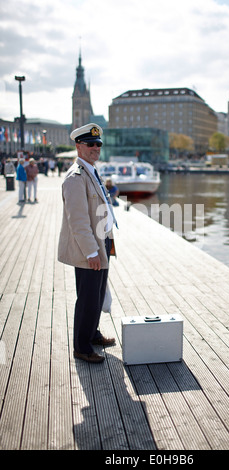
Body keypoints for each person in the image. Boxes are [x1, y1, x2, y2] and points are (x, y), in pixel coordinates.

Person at [58, 123, 117, 364]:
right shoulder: (76, 177)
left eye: (98, 144)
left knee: (97, 293)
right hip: (89, 248)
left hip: (101, 242)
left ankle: (92, 334)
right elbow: (78, 221)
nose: (95, 148)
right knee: (87, 297)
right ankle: (82, 347)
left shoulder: (91, 170)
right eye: (90, 144)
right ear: (78, 146)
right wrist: (91, 251)